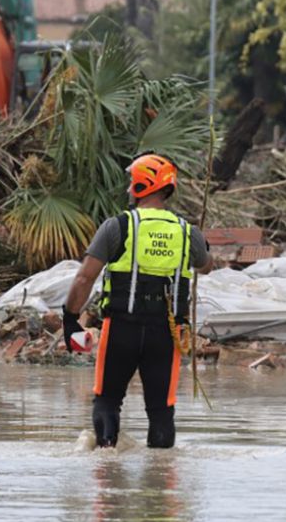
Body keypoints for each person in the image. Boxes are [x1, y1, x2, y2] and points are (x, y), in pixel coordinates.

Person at [63, 153, 212, 450]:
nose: (129, 188)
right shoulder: (187, 232)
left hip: (121, 330)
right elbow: (205, 266)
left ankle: (106, 469)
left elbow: (84, 278)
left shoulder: (117, 226)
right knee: (161, 411)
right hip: (166, 336)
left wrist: (70, 317)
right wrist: (202, 245)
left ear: (145, 185)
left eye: (133, 182)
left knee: (107, 399)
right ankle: (160, 484)